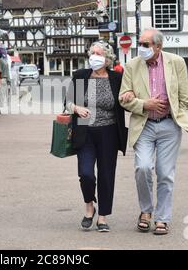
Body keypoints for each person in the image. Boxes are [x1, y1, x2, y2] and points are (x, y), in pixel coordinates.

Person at [119, 28, 188, 235]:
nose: (141, 48)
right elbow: (123, 99)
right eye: (140, 43)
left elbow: (185, 97)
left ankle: (162, 218)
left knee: (165, 173)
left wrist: (176, 111)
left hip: (169, 126)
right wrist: (145, 104)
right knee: (142, 168)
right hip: (144, 125)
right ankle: (146, 211)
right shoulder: (131, 66)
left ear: (158, 46)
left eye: (145, 44)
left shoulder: (176, 62)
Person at [65, 41, 128, 232]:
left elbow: (125, 102)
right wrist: (76, 108)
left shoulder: (117, 78)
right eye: (91, 53)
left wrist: (129, 98)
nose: (94, 56)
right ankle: (89, 206)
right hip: (85, 129)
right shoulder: (81, 76)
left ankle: (102, 217)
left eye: (98, 53)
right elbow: (67, 103)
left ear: (107, 58)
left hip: (109, 131)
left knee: (106, 175)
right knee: (86, 174)